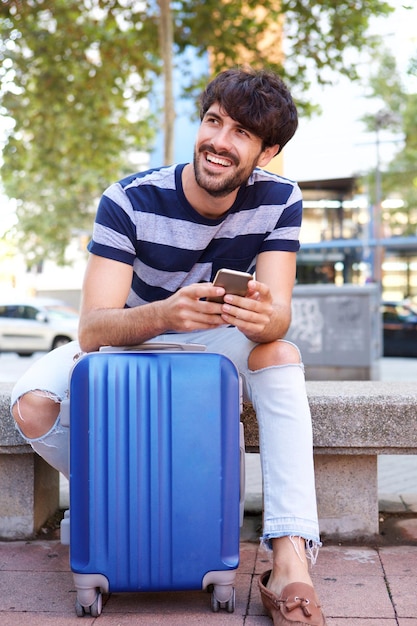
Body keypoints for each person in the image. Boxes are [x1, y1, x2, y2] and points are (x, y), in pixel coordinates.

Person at [11, 67, 326, 626]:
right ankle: (123, 506)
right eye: (213, 122)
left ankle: (289, 559)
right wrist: (163, 312)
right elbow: (90, 329)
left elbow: (279, 317)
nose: (219, 143)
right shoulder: (128, 200)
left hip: (219, 338)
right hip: (133, 334)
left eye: (241, 134)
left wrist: (262, 315)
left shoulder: (280, 200)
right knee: (32, 404)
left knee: (281, 355)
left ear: (268, 150)